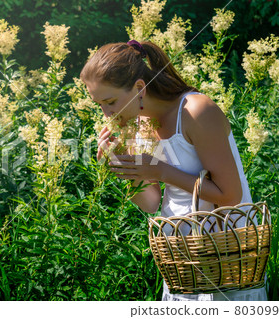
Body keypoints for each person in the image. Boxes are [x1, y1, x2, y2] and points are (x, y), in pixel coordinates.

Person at [79, 40, 268, 301]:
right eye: (99, 104)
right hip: (181, 254)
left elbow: (231, 196)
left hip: (224, 249)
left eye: (110, 101)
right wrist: (125, 165)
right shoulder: (139, 124)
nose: (106, 113)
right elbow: (151, 202)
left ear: (139, 88)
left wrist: (162, 172)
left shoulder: (196, 111)